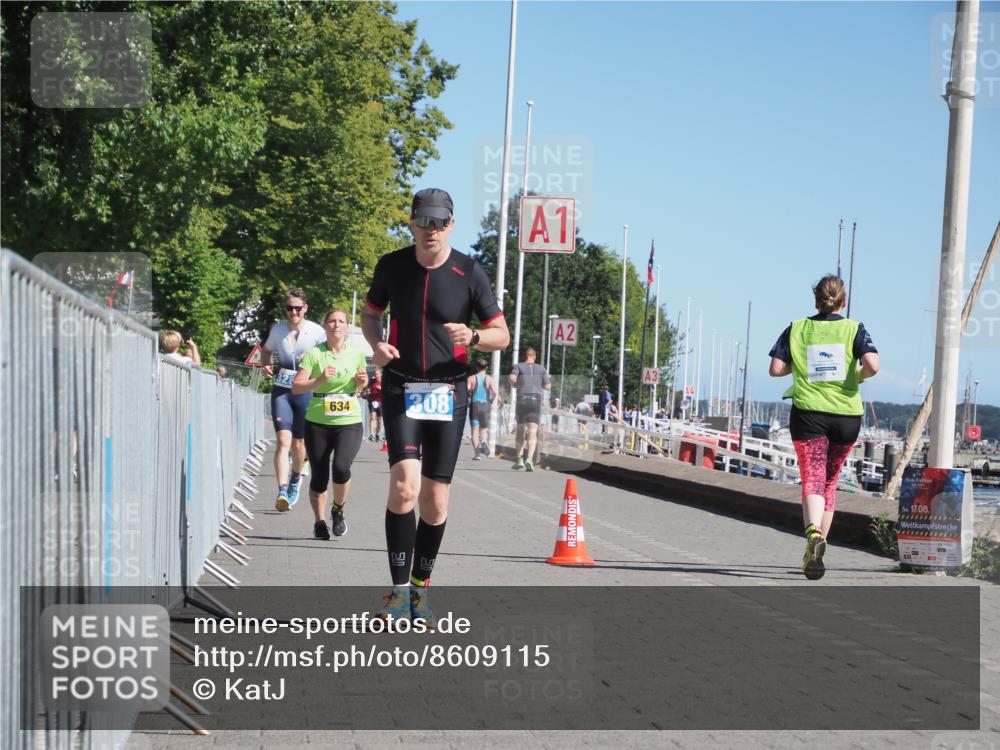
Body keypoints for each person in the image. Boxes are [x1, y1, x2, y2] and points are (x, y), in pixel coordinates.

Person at [361, 187, 509, 625]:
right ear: (412, 222)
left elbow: (502, 334)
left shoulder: (470, 271)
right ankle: (399, 591)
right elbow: (370, 314)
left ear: (452, 224)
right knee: (404, 486)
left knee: (435, 500)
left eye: (440, 222)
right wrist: (376, 344)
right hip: (402, 386)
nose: (432, 230)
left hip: (449, 389)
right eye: (425, 221)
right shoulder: (392, 265)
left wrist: (476, 337)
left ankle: (422, 590)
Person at [769, 274, 879, 580]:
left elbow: (776, 368)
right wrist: (856, 376)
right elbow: (873, 365)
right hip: (846, 417)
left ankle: (813, 535)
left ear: (816, 301)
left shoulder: (798, 328)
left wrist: (801, 366)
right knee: (829, 482)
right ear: (842, 302)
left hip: (808, 415)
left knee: (812, 478)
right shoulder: (854, 328)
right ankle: (816, 549)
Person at [292, 309, 368, 540]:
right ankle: (319, 521)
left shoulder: (356, 353)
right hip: (318, 422)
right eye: (332, 321)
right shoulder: (314, 354)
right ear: (325, 326)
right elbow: (297, 387)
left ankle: (337, 510)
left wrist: (362, 383)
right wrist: (320, 380)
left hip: (349, 421)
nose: (336, 325)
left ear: (346, 327)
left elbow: (361, 381)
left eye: (341, 321)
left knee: (342, 467)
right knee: (319, 476)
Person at [261, 289, 326, 512]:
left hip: (305, 391)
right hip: (282, 390)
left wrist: (311, 360)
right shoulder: (278, 329)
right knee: (282, 440)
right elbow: (266, 350)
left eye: (298, 308)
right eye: (290, 308)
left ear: (305, 308)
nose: (294, 312)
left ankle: (296, 478)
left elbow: (328, 356)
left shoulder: (316, 331)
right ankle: (281, 490)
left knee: (299, 444)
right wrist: (265, 364)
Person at [508, 347, 550, 472]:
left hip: (522, 399)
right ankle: (529, 459)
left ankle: (519, 459)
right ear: (534, 356)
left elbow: (512, 378)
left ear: (525, 356)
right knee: (532, 431)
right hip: (535, 400)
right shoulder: (541, 369)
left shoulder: (518, 366)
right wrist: (538, 384)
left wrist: (515, 384)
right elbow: (548, 386)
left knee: (520, 431)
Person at [466, 359, 497, 460]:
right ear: (486, 368)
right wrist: (491, 401)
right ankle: (483, 441)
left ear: (477, 367)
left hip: (474, 405)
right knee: (484, 430)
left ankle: (477, 455)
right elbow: (494, 392)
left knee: (474, 430)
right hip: (485, 406)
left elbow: (467, 389)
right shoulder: (489, 379)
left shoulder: (471, 378)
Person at [364, 367, 384, 442]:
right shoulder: (372, 381)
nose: (376, 376)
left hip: (381, 402)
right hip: (372, 401)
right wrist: (367, 391)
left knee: (380, 419)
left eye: (377, 374)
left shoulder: (383, 382)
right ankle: (372, 434)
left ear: (381, 374)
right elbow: (367, 389)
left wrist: (381, 389)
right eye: (375, 374)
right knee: (372, 417)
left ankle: (378, 434)